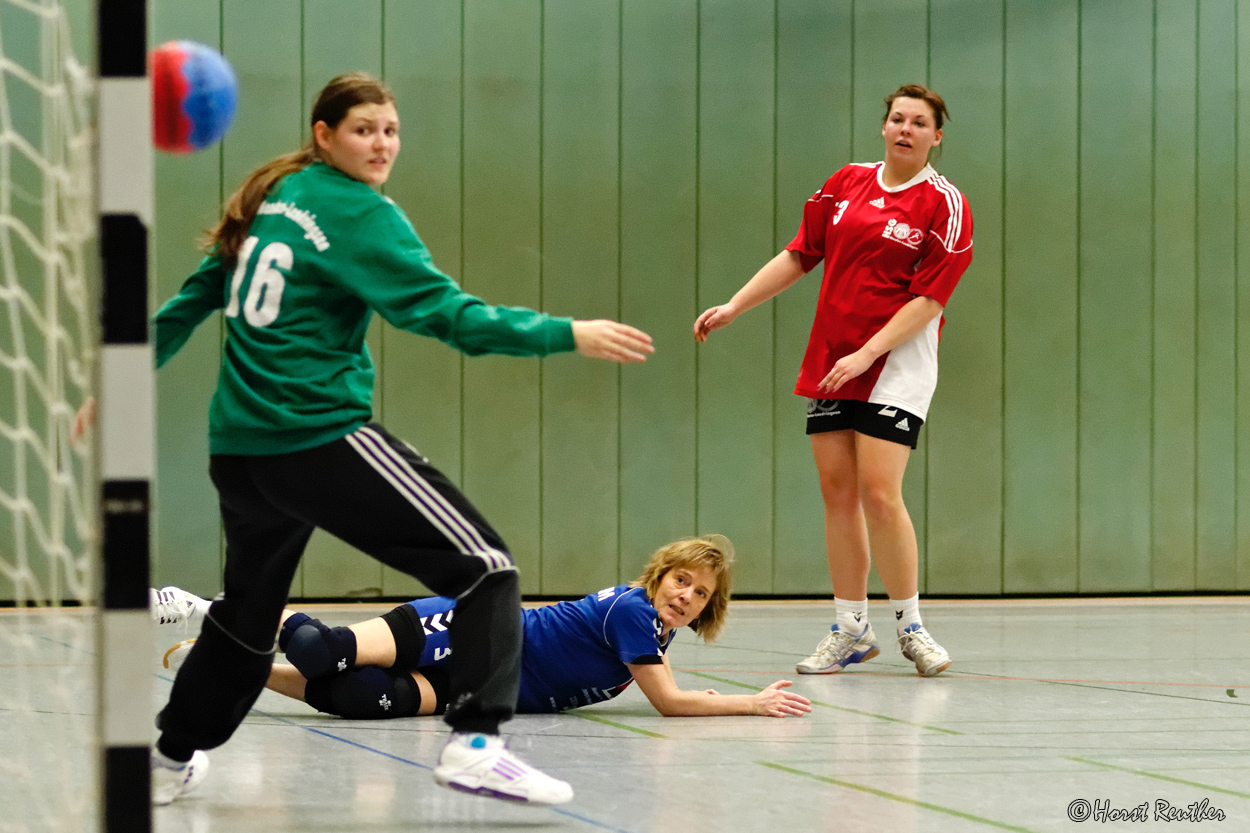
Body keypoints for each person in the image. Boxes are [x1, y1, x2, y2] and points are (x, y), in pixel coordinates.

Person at [149, 72, 654, 808]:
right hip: (314, 434)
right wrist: (565, 333)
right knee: (487, 570)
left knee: (249, 613)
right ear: (324, 135)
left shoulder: (273, 197)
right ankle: (477, 743)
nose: (381, 144)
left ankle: (167, 756)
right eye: (363, 129)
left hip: (239, 449)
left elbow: (194, 295)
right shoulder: (360, 213)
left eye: (390, 130)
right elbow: (447, 316)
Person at [693, 83, 972, 679]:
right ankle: (850, 627)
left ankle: (911, 627)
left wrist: (869, 352)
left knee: (879, 492)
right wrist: (735, 306)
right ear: (883, 126)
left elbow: (929, 300)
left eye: (919, 123)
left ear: (936, 136)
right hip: (832, 358)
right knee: (837, 495)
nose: (905, 129)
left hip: (895, 364)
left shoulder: (944, 204)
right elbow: (800, 253)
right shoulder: (845, 183)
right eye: (897, 118)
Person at [153, 537, 812, 721]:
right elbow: (668, 701)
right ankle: (209, 606)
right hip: (463, 628)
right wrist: (751, 702)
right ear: (660, 573)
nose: (686, 596)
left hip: (471, 683)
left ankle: (226, 663)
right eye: (682, 581)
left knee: (350, 697)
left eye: (700, 594)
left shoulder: (656, 629)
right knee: (324, 652)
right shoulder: (634, 612)